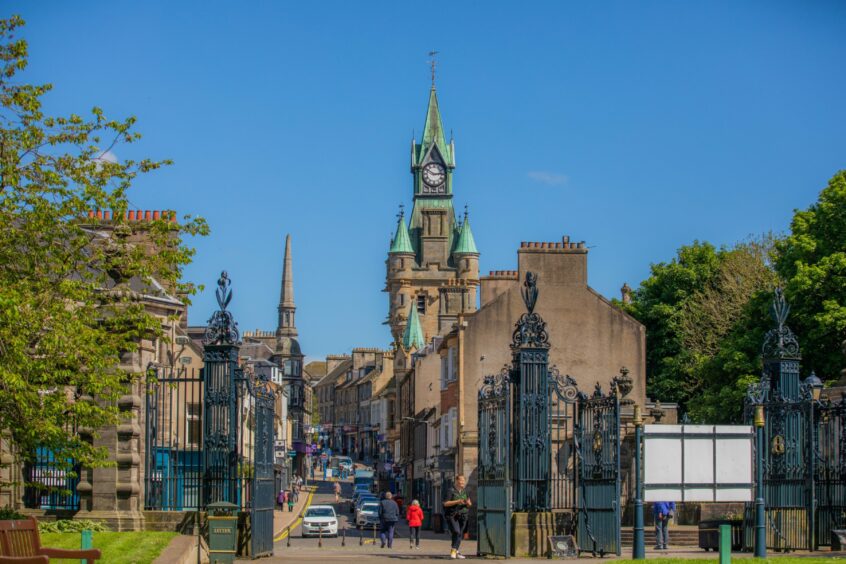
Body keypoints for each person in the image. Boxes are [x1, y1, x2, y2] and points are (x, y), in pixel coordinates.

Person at [443, 475, 471, 559]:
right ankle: (454, 550)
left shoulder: (465, 491)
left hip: (463, 515)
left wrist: (468, 504)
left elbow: (469, 503)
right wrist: (457, 501)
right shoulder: (451, 491)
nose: (462, 482)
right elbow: (445, 503)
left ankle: (456, 551)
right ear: (456, 481)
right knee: (456, 531)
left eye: (463, 481)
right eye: (460, 480)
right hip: (452, 515)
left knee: (459, 534)